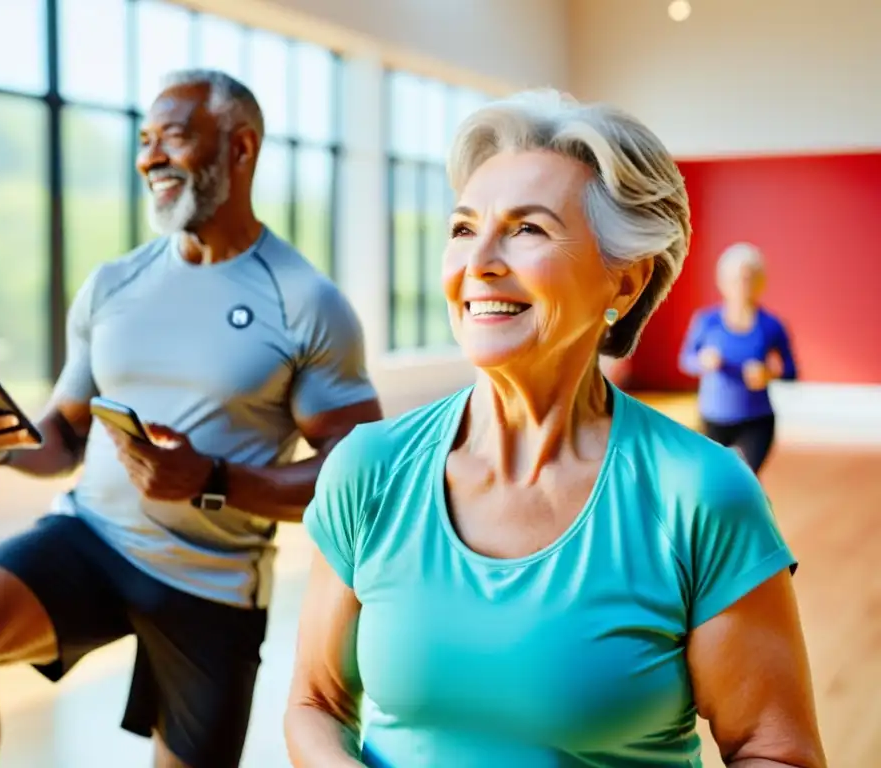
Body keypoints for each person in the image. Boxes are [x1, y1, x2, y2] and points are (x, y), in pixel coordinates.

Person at [285, 90, 826, 768]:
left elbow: (774, 750)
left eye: (527, 229)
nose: (478, 260)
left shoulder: (702, 496)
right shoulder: (370, 470)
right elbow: (316, 706)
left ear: (623, 285)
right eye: (462, 228)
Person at [0, 69, 382, 768]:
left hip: (213, 580)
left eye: (175, 137)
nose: (150, 157)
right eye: (143, 140)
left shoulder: (305, 302)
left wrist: (209, 478)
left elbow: (355, 479)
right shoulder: (114, 284)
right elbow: (63, 435)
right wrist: (4, 445)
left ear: (240, 148)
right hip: (93, 538)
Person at [679, 243, 797, 474]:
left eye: (748, 278)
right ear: (721, 282)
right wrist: (703, 361)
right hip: (712, 419)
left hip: (756, 421)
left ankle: (753, 510)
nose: (742, 286)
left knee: (746, 482)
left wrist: (769, 373)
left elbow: (792, 371)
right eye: (734, 279)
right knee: (713, 482)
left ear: (760, 282)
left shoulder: (771, 326)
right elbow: (686, 360)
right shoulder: (706, 321)